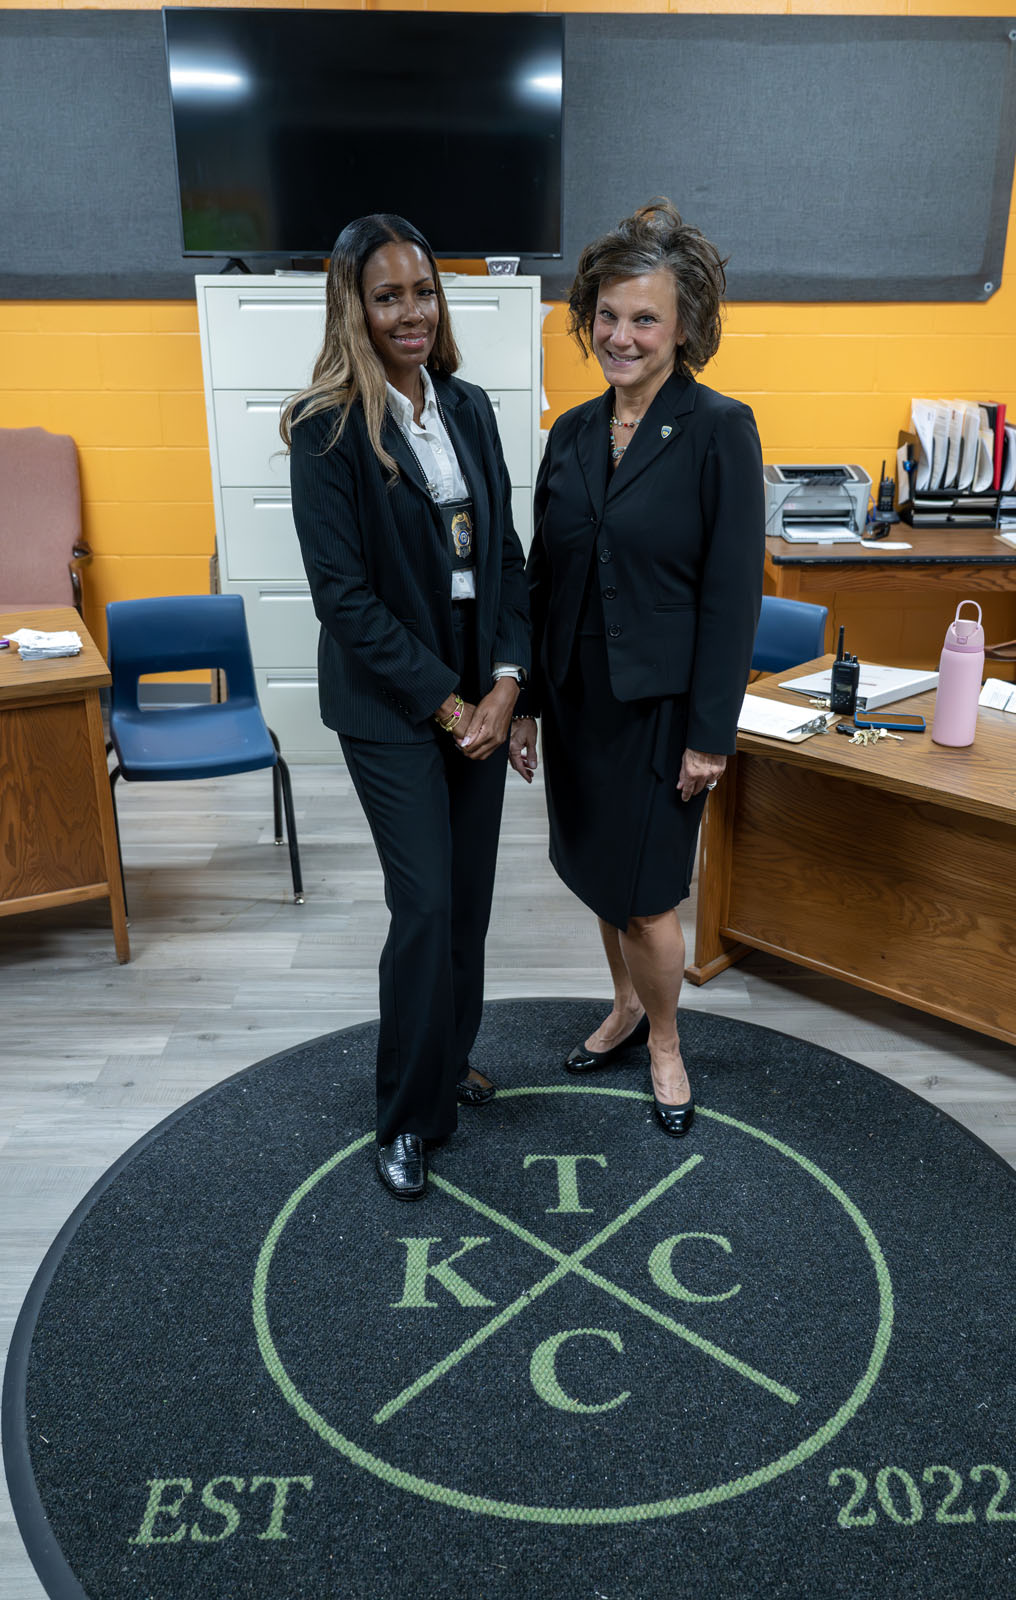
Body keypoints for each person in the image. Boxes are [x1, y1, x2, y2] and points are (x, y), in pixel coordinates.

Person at [283, 215, 529, 1199]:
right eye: (387, 296)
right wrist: (447, 703)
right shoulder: (326, 427)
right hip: (393, 707)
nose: (410, 312)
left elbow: (506, 556)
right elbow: (343, 599)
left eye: (421, 290)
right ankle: (404, 1115)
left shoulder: (468, 407)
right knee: (423, 902)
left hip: (481, 694)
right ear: (355, 306)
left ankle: (446, 1061)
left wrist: (508, 685)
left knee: (466, 903)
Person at [509, 200, 764, 1138]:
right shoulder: (572, 431)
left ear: (684, 326)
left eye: (644, 318)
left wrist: (710, 735)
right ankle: (619, 1007)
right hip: (578, 703)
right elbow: (544, 574)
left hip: (662, 713)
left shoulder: (718, 430)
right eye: (607, 316)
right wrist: (528, 700)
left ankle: (662, 1039)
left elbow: (731, 597)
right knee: (597, 877)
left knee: (651, 898)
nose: (622, 335)